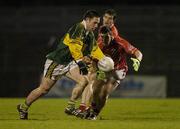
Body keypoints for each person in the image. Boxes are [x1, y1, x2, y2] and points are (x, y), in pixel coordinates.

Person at [17, 10, 105, 120]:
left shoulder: (89, 34)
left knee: (84, 81)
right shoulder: (79, 28)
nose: (96, 26)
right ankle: (23, 107)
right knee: (43, 89)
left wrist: (104, 61)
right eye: (95, 22)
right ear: (87, 20)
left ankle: (70, 107)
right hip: (56, 62)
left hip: (69, 63)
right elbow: (74, 47)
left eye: (98, 23)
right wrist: (80, 61)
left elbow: (94, 49)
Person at [74, 9, 143, 120]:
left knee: (104, 92)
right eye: (105, 17)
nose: (104, 39)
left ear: (112, 35)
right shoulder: (100, 42)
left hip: (118, 70)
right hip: (105, 68)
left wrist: (137, 60)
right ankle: (89, 108)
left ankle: (94, 114)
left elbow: (137, 52)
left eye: (107, 37)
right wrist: (90, 63)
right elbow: (93, 58)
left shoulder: (119, 41)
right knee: (95, 88)